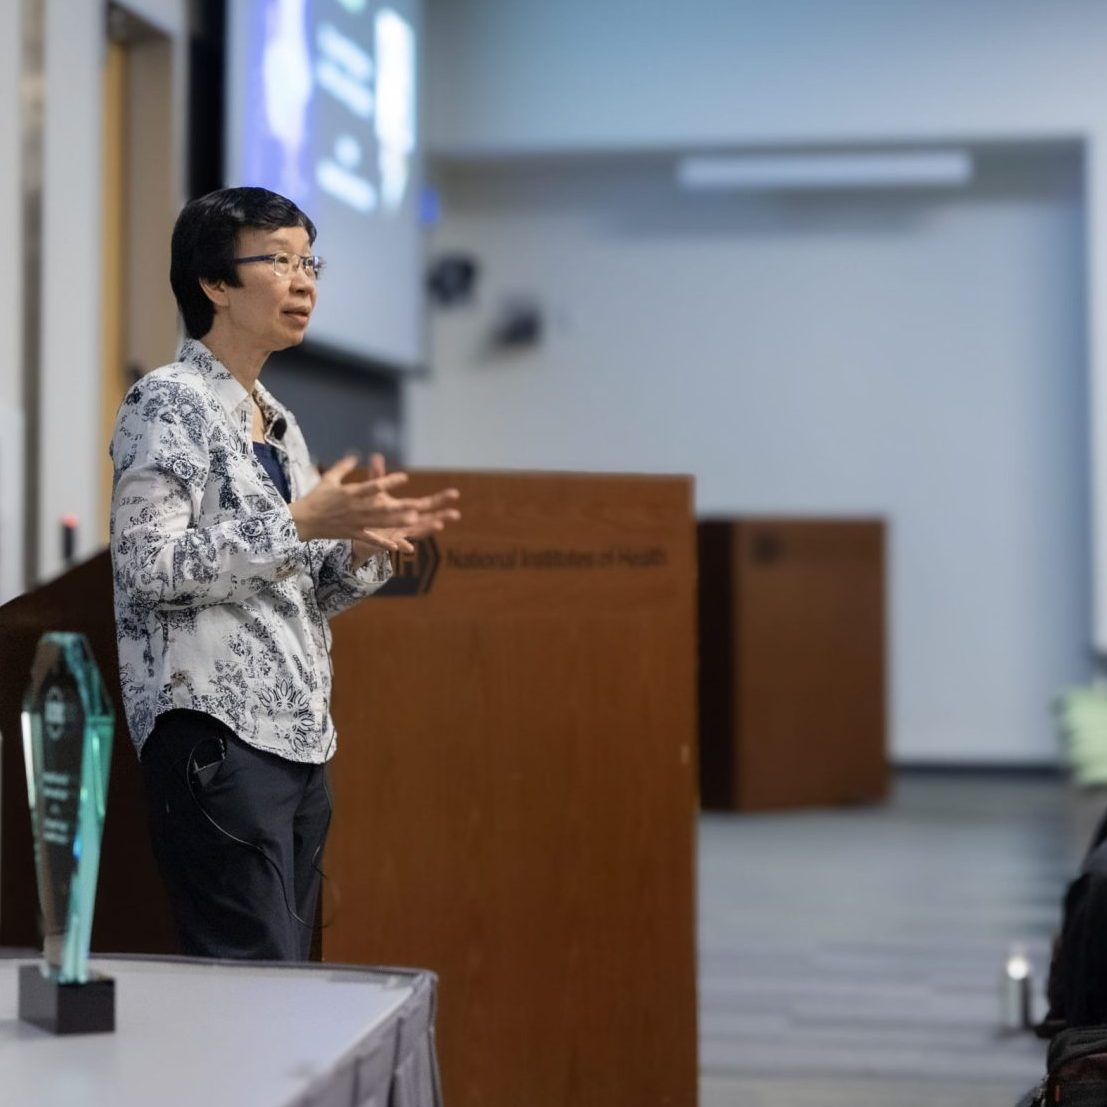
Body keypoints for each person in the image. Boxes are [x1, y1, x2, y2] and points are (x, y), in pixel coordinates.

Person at [109, 186, 459, 960]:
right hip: (215, 738)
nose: (305, 281)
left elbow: (304, 591)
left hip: (299, 742)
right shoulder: (168, 401)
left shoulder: (277, 419)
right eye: (279, 260)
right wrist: (301, 520)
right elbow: (147, 565)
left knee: (290, 986)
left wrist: (362, 549)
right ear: (215, 283)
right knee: (250, 983)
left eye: (310, 262)